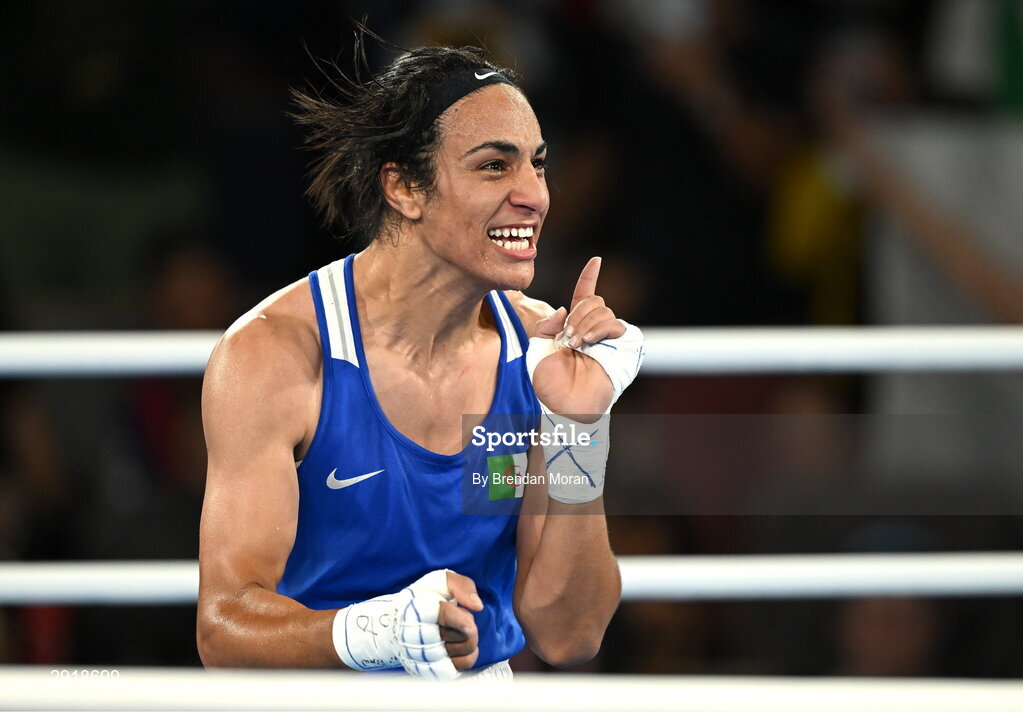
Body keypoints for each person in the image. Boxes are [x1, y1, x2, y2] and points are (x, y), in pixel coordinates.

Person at [196, 38, 644, 678]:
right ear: (404, 186)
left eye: (538, 165)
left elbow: (569, 634)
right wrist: (376, 631)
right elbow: (223, 628)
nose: (535, 196)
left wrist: (581, 429)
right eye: (495, 166)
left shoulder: (542, 356)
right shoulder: (276, 356)